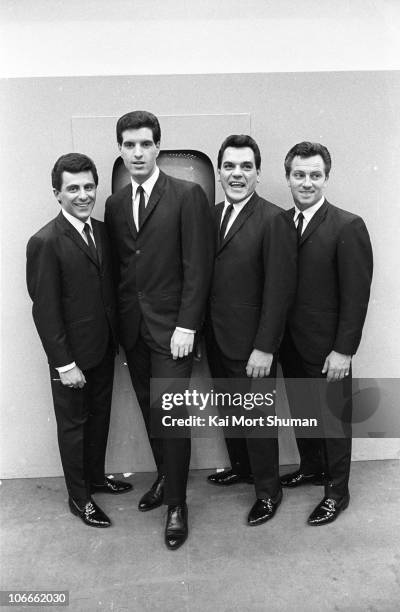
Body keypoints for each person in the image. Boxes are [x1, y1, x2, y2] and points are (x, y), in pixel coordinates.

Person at [104, 110, 213, 549]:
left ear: (157, 148)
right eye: (128, 145)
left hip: (174, 334)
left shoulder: (187, 195)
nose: (136, 152)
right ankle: (166, 480)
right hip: (134, 331)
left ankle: (176, 506)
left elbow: (198, 267)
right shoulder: (114, 204)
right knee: (154, 414)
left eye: (144, 144)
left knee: (171, 417)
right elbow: (122, 270)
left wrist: (188, 325)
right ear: (120, 149)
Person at [26, 153, 132, 529]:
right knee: (74, 426)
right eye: (73, 188)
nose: (83, 194)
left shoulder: (102, 231)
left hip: (102, 348)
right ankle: (79, 498)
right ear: (57, 193)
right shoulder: (45, 242)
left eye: (89, 186)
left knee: (100, 418)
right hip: (71, 358)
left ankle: (97, 479)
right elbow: (45, 311)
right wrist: (64, 364)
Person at [279, 141, 373, 525]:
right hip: (291, 344)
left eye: (315, 175)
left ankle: (337, 491)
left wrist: (343, 350)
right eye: (299, 175)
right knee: (304, 413)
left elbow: (356, 295)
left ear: (326, 178)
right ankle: (312, 468)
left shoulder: (347, 225)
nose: (307, 182)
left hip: (329, 349)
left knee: (333, 422)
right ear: (288, 178)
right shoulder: (280, 223)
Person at [205, 134, 297, 525]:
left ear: (258, 174)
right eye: (229, 166)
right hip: (217, 337)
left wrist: (265, 347)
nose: (236, 174)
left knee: (257, 421)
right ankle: (241, 469)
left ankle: (267, 491)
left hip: (253, 346)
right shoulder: (209, 215)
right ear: (220, 172)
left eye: (245, 167)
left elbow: (279, 292)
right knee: (230, 413)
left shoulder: (274, 219)